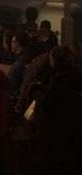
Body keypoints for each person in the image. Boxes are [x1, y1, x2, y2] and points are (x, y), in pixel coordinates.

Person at [34, 46, 82, 175]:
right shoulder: (75, 76)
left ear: (55, 59)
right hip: (70, 129)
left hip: (53, 130)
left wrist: (37, 93)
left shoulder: (58, 79)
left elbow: (49, 102)